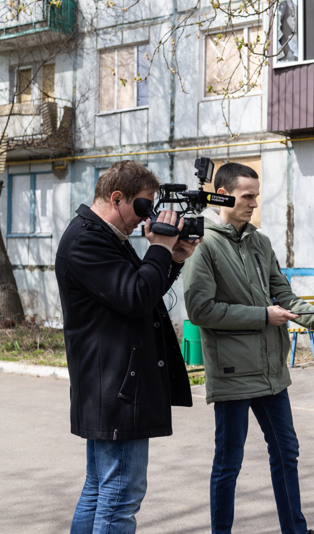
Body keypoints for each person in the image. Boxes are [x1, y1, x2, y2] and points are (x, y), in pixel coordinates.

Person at [182, 162, 314, 534]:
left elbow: (285, 297)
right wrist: (263, 315)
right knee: (229, 462)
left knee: (286, 452)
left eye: (256, 196)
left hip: (271, 372)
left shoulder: (259, 241)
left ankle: (296, 530)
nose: (254, 204)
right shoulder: (202, 242)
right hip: (233, 373)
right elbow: (200, 310)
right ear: (222, 195)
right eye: (247, 196)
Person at [55, 160, 199, 533]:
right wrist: (160, 247)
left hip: (113, 385)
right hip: (116, 389)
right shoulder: (87, 240)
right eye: (142, 206)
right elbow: (136, 296)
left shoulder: (104, 237)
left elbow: (140, 293)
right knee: (120, 499)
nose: (145, 217)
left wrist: (173, 259)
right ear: (117, 198)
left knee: (99, 490)